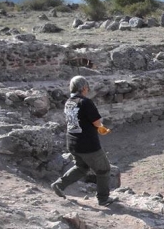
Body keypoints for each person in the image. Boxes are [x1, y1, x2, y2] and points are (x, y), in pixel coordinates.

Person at [50, 76, 117, 206]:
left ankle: (59, 185)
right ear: (84, 88)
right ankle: (103, 198)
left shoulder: (69, 102)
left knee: (82, 167)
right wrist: (102, 128)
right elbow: (97, 122)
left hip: (72, 142)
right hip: (88, 144)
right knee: (104, 170)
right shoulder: (86, 102)